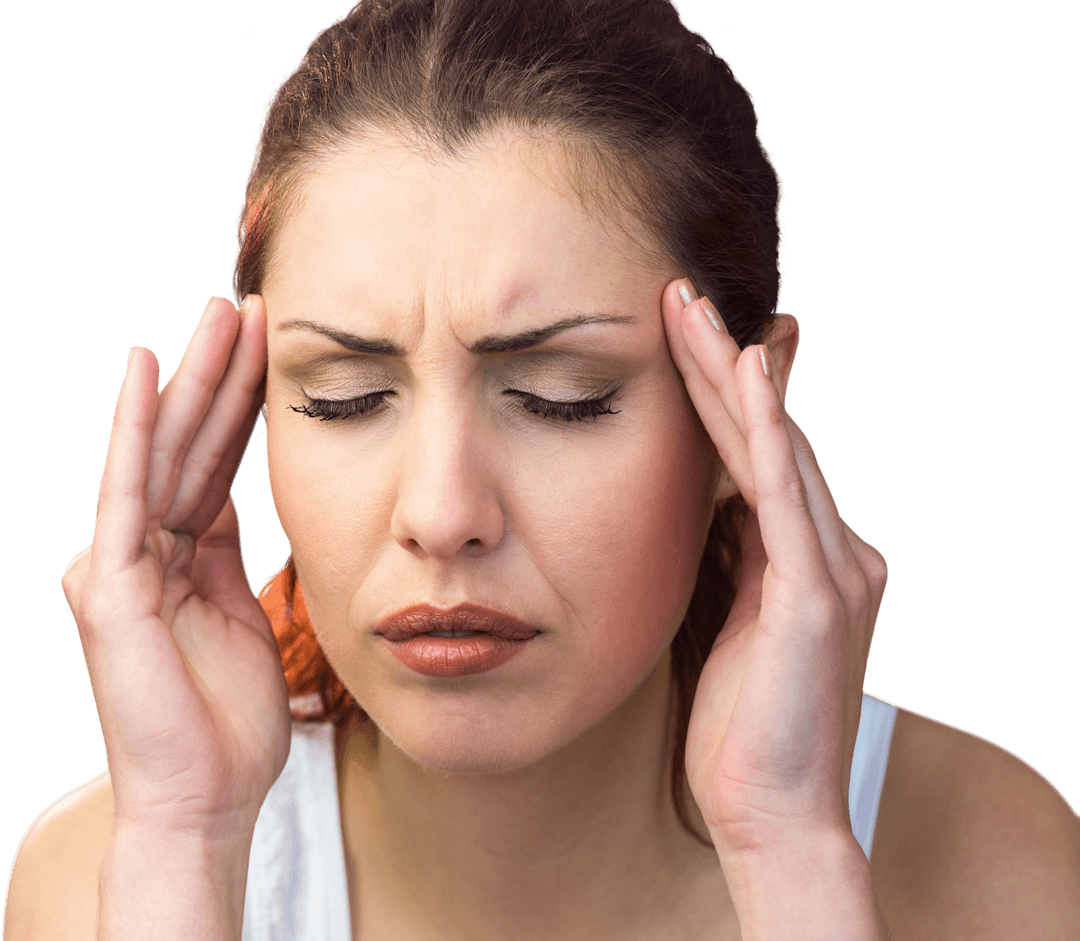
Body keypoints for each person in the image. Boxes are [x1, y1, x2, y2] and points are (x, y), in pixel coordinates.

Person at [5, 0, 1078, 939]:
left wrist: (791, 851)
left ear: (743, 413)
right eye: (343, 397)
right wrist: (186, 841)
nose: (441, 513)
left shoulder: (996, 859)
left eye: (561, 396)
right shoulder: (105, 868)